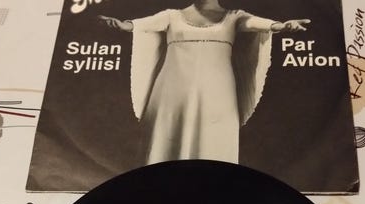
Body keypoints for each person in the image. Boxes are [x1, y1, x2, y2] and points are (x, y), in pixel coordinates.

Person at [99, 1, 310, 165]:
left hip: (217, 90)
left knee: (213, 138)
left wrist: (281, 26)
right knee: (166, 139)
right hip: (173, 89)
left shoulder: (235, 16)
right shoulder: (171, 15)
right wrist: (124, 25)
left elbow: (256, 23)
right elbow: (141, 24)